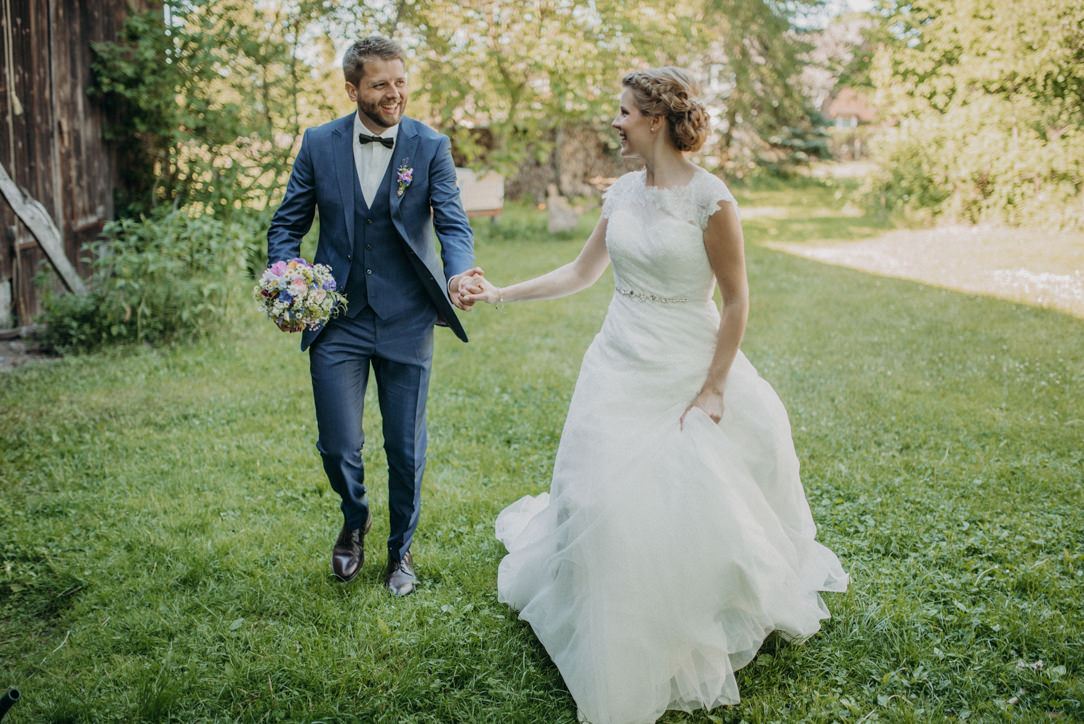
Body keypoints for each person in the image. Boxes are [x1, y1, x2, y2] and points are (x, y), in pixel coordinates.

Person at [462, 67, 848, 723]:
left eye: (623, 112)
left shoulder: (712, 199)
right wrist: (500, 292)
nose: (614, 121)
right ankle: (610, 614)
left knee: (690, 501)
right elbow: (583, 272)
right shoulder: (619, 194)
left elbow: (737, 301)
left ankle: (696, 611)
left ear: (657, 120)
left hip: (686, 364)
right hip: (617, 362)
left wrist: (715, 387)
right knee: (602, 498)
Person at [267, 35, 479, 596]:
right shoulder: (318, 143)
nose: (395, 93)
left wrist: (459, 273)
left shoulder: (430, 145)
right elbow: (287, 224)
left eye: (401, 81)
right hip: (337, 316)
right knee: (339, 442)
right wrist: (287, 279)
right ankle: (355, 517)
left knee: (405, 446)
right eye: (381, 84)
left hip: (408, 316)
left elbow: (453, 224)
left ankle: (401, 550)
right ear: (353, 88)